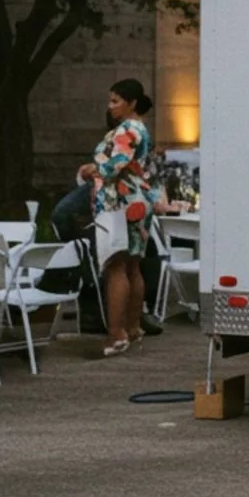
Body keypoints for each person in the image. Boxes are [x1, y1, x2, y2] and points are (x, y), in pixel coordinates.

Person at [80, 79, 155, 357]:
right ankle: (133, 327)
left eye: (115, 101)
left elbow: (114, 165)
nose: (110, 106)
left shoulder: (127, 129)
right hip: (138, 200)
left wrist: (92, 169)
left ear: (131, 103)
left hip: (119, 203)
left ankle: (116, 334)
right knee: (133, 265)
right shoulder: (140, 127)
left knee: (115, 266)